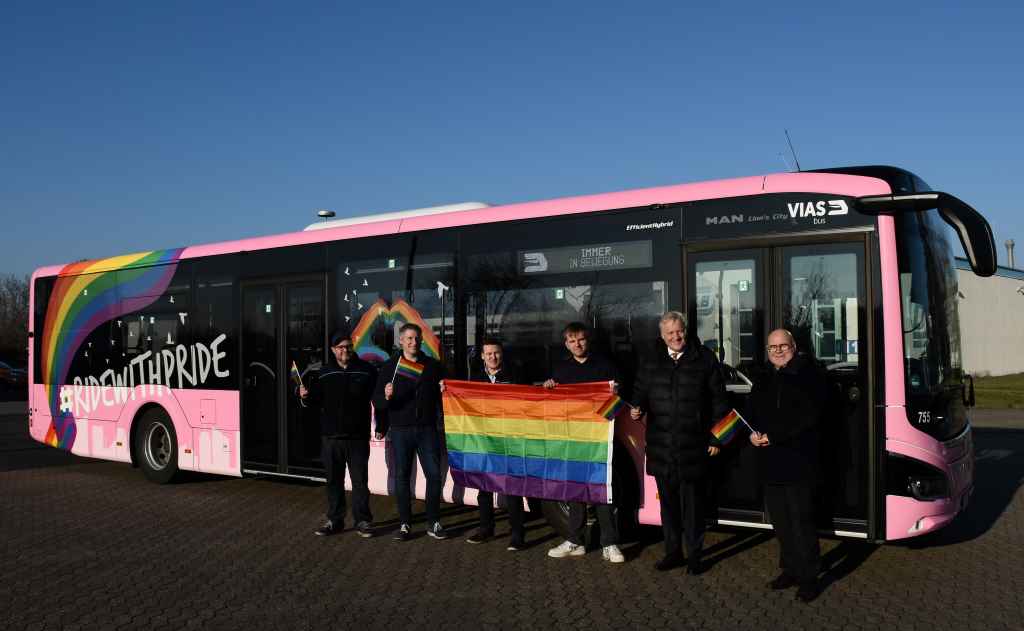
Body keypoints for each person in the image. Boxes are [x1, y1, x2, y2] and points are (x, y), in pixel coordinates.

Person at [630, 311, 729, 575]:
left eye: (680, 331)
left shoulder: (704, 358)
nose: (676, 337)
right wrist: (636, 407)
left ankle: (695, 556)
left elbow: (721, 402)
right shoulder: (651, 361)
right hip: (662, 447)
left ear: (686, 331)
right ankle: (672, 553)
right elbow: (639, 391)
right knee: (669, 508)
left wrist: (717, 438)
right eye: (670, 333)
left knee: (693, 510)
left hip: (694, 447)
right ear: (662, 337)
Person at [748, 328, 826, 603]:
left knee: (802, 522)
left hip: (799, 461)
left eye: (782, 346)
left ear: (794, 346)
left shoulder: (810, 376)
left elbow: (810, 416)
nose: (777, 351)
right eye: (772, 348)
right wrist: (752, 433)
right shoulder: (764, 377)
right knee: (780, 522)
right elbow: (752, 412)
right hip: (770, 462)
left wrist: (776, 436)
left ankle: (809, 578)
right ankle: (790, 569)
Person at [543, 322, 625, 564]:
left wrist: (615, 393)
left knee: (601, 491)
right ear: (566, 344)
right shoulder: (561, 370)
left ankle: (609, 544)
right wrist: (549, 389)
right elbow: (555, 407)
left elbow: (618, 400)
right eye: (571, 341)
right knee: (574, 490)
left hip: (599, 438)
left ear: (587, 340)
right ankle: (575, 541)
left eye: (580, 339)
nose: (577, 344)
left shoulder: (606, 366)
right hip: (572, 438)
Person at [299, 331, 378, 538]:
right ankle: (335, 520)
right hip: (331, 438)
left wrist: (382, 425)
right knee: (334, 481)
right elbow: (313, 401)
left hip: (358, 437)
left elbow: (378, 399)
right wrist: (304, 396)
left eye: (348, 346)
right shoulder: (324, 373)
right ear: (333, 350)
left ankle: (363, 520)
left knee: (360, 482)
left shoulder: (366, 371)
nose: (345, 350)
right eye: (341, 347)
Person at [373, 323, 448, 541]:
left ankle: (433, 522)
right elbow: (377, 400)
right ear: (401, 341)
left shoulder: (433, 366)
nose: (414, 342)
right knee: (402, 477)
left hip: (427, 429)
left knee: (434, 475)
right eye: (409, 339)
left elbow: (444, 396)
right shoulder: (390, 367)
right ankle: (405, 523)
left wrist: (444, 390)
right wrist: (385, 398)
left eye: (417, 338)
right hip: (400, 430)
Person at [464, 338, 527, 551]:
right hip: (483, 440)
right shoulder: (475, 379)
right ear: (482, 356)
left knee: (512, 488)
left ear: (502, 354)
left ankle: (518, 534)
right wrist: (446, 389)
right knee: (484, 487)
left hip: (510, 440)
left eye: (496, 353)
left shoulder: (515, 376)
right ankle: (486, 529)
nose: (493, 357)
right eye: (489, 353)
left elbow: (527, 401)